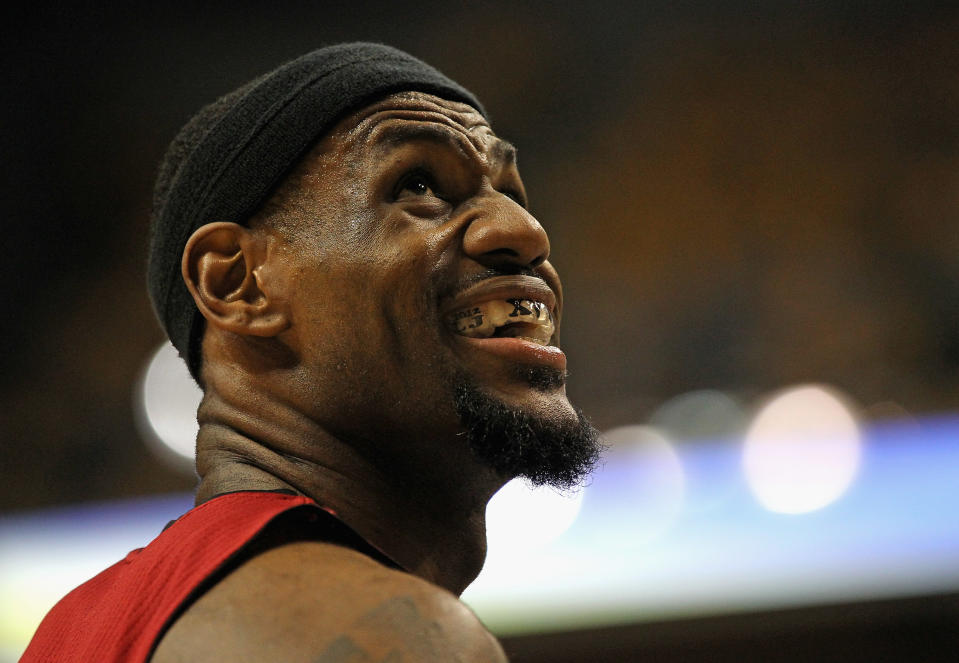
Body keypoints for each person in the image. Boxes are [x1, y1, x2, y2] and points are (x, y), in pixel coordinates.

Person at [22, 42, 601, 662]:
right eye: (419, 185)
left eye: (513, 193)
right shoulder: (389, 636)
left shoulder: (78, 627)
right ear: (237, 284)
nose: (523, 231)